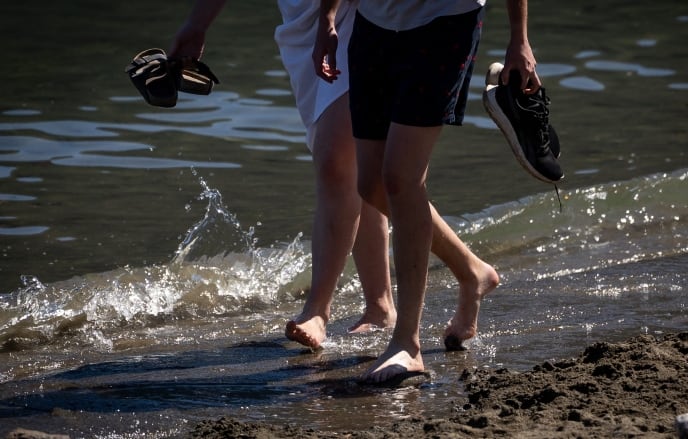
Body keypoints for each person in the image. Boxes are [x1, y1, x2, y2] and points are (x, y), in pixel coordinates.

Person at [315, 0, 541, 383]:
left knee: (401, 178)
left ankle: (407, 343)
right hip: (373, 25)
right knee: (370, 185)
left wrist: (519, 37)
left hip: (444, 22)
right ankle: (473, 272)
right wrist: (327, 17)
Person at [169, 0, 397, 349]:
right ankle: (384, 305)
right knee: (355, 164)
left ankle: (318, 309)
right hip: (301, 25)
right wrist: (198, 23)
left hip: (354, 15)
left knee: (336, 159)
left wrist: (328, 18)